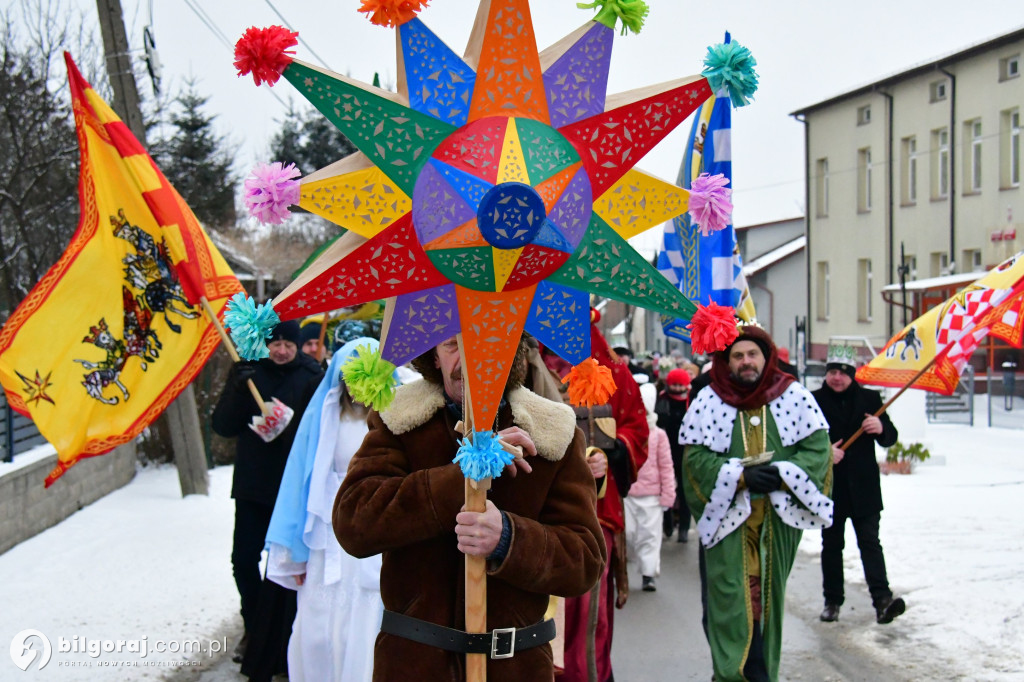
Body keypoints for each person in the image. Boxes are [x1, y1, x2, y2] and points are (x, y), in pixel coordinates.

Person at [333, 335, 605, 681]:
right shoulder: (398, 418)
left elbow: (585, 560)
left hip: (516, 667)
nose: (469, 357)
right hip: (414, 666)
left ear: (511, 351)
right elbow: (354, 524)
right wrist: (459, 478)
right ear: (434, 356)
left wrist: (508, 539)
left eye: (486, 339)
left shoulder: (552, 429)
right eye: (451, 344)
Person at [681, 325, 833, 682]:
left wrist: (782, 474)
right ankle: (732, 674)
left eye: (752, 355)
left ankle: (762, 673)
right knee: (728, 603)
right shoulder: (709, 399)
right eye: (738, 356)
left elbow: (817, 451)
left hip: (775, 524)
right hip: (728, 522)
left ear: (766, 358)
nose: (746, 362)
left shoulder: (793, 395)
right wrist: (740, 477)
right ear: (726, 361)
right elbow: (695, 462)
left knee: (766, 602)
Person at [265, 338, 386, 681]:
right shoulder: (325, 413)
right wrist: (294, 554)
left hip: (371, 531)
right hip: (327, 533)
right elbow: (301, 481)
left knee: (363, 621)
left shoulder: (390, 416)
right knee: (318, 626)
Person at [211, 320, 324, 673]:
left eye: (288, 343)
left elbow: (319, 432)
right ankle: (255, 625)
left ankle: (275, 637)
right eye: (274, 343)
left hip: (290, 492)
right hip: (252, 487)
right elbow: (222, 426)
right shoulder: (249, 373)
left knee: (284, 570)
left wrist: (288, 429)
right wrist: (235, 385)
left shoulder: (310, 375)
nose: (281, 350)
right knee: (243, 561)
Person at [561, 315, 648, 682]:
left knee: (587, 614)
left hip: (597, 512)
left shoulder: (615, 371)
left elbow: (637, 427)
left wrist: (611, 454)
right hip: (536, 512)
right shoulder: (528, 362)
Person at [812, 346, 905, 625]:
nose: (837, 378)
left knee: (870, 544)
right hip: (831, 488)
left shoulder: (870, 399)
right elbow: (802, 440)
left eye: (842, 373)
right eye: (832, 372)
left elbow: (890, 438)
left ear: (852, 375)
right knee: (831, 546)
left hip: (864, 488)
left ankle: (882, 600)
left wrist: (881, 427)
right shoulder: (813, 401)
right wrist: (825, 453)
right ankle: (832, 600)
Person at [625, 383, 676, 592]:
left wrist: (668, 495)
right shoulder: (627, 430)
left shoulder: (659, 435)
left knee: (650, 536)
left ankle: (648, 574)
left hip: (652, 496)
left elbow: (666, 465)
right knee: (629, 533)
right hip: (628, 494)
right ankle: (628, 566)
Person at [655, 367, 693, 542]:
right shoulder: (663, 399)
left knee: (685, 492)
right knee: (666, 488)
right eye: (674, 385)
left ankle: (684, 527)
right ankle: (668, 522)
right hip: (666, 452)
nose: (677, 389)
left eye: (680, 385)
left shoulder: (692, 400)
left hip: (686, 453)